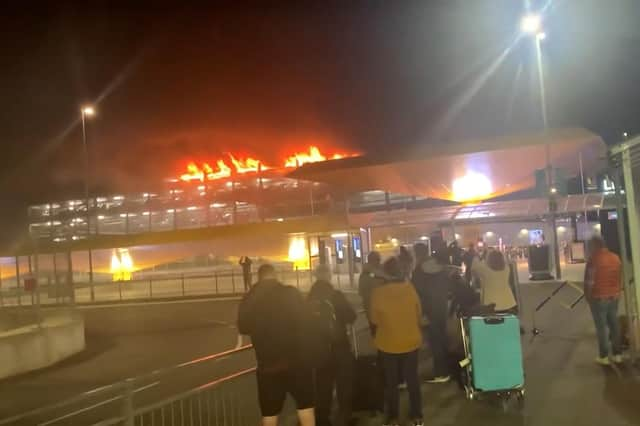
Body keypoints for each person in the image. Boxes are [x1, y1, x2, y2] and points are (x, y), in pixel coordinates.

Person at [237, 264, 315, 426]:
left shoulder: (250, 298)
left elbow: (243, 327)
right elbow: (307, 320)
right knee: (306, 408)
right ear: (275, 275)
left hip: (268, 366)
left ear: (259, 277)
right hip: (297, 362)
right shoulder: (290, 293)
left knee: (270, 414)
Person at [370, 257, 423, 426]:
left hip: (388, 343)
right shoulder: (410, 289)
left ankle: (393, 418)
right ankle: (417, 416)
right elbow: (418, 314)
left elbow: (374, 319)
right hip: (411, 341)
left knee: (391, 382)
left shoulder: (378, 293)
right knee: (412, 379)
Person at [308, 264, 356, 426]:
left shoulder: (309, 298)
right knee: (344, 383)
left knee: (322, 385)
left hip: (319, 348)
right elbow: (351, 316)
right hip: (339, 346)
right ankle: (344, 417)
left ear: (316, 276)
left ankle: (322, 418)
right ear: (328, 276)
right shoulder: (336, 295)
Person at [413, 242, 454, 384]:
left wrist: (422, 313)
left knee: (435, 341)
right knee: (442, 338)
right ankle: (447, 369)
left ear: (417, 253)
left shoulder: (419, 271)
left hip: (429, 310)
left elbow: (417, 293)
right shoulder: (440, 267)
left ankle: (441, 373)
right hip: (441, 308)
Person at [584, 236, 623, 366]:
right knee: (614, 325)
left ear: (595, 246)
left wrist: (588, 297)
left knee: (601, 328)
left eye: (589, 246)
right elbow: (619, 277)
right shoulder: (616, 258)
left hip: (599, 298)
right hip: (614, 297)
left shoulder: (593, 260)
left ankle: (604, 356)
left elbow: (590, 281)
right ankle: (618, 354)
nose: (588, 249)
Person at [358, 251, 384, 335]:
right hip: (373, 308)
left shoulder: (379, 271)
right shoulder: (367, 274)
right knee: (377, 331)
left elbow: (361, 292)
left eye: (379, 259)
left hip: (377, 308)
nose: (379, 261)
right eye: (377, 259)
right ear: (371, 260)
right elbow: (362, 292)